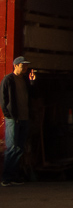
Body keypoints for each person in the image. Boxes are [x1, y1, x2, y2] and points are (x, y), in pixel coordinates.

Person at [1, 56, 35, 187]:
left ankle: (14, 176)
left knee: (19, 148)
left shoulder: (25, 80)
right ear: (15, 65)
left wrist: (32, 83)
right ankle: (6, 177)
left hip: (24, 118)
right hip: (13, 119)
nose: (25, 68)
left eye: (26, 66)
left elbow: (31, 96)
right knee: (12, 147)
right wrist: (8, 114)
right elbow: (3, 99)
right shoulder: (8, 80)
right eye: (23, 65)